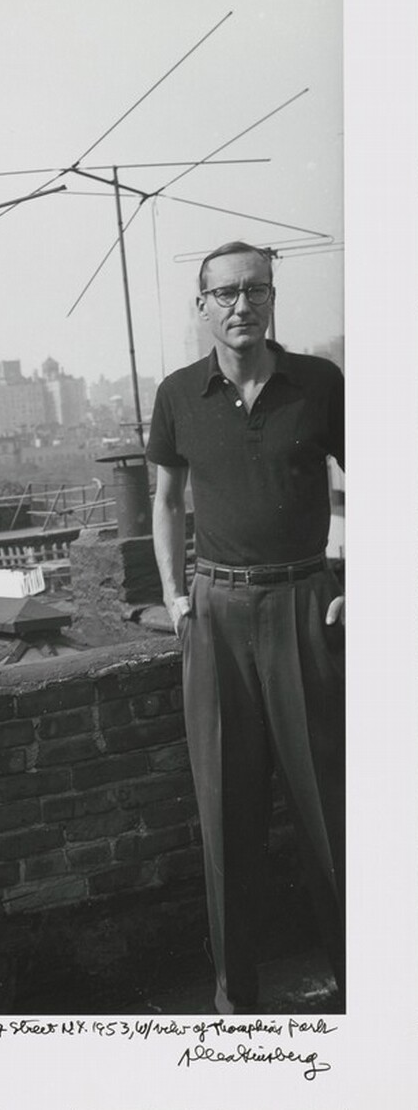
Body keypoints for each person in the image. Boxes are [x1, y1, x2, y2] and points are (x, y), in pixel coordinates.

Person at [146, 240, 345, 1014]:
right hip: (217, 615)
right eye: (224, 293)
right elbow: (164, 500)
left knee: (326, 811)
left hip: (304, 606)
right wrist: (172, 596)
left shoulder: (318, 383)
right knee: (224, 815)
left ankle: (359, 995)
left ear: (270, 299)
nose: (241, 305)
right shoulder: (175, 394)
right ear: (201, 307)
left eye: (255, 290)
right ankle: (237, 1004)